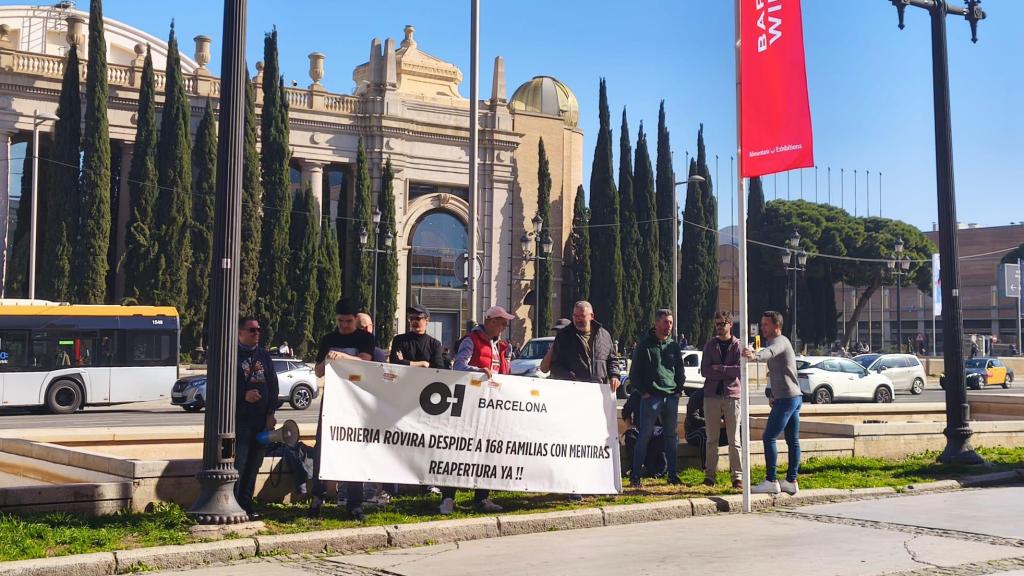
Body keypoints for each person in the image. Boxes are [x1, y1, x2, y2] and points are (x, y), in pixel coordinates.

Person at [441, 305, 516, 514]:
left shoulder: (501, 345)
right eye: (501, 322)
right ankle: (448, 497)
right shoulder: (471, 340)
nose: (504, 326)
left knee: (488, 451)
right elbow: (459, 366)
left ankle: (482, 498)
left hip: (491, 406)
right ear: (490, 321)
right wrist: (478, 371)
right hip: (469, 405)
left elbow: (503, 373)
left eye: (505, 323)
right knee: (459, 451)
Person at [547, 301, 619, 501]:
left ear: (591, 316)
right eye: (575, 315)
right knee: (574, 443)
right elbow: (555, 366)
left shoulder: (604, 335)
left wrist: (614, 374)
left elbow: (612, 359)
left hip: (598, 398)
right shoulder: (565, 336)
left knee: (595, 443)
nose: (578, 319)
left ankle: (594, 483)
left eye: (582, 316)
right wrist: (569, 378)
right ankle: (573, 486)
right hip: (574, 398)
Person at [310, 299, 375, 520]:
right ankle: (317, 498)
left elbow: (366, 362)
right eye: (340, 321)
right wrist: (327, 360)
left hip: (355, 401)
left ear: (356, 320)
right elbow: (318, 371)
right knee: (322, 449)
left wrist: (344, 357)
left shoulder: (365, 338)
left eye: (348, 321)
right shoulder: (328, 339)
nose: (344, 325)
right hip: (331, 402)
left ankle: (354, 503)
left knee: (354, 448)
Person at [743, 311, 801, 496]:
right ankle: (791, 481)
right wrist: (771, 393)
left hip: (787, 399)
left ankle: (771, 480)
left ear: (776, 326)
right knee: (793, 440)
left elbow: (770, 353)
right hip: (791, 396)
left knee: (769, 437)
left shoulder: (780, 341)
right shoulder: (778, 341)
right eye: (762, 324)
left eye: (766, 324)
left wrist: (754, 356)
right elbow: (776, 372)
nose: (762, 328)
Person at [628, 309, 685, 488]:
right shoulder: (645, 345)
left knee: (671, 437)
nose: (669, 326)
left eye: (671, 322)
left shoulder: (674, 346)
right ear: (657, 323)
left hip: (670, 397)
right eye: (665, 322)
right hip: (651, 398)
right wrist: (644, 392)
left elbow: (680, 371)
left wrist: (678, 390)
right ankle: (636, 475)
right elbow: (634, 373)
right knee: (644, 435)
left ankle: (672, 474)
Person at [235, 317, 279, 521]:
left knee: (254, 465)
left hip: (262, 421)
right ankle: (234, 503)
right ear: (240, 333)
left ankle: (246, 503)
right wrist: (244, 395)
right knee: (240, 464)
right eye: (252, 330)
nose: (257, 333)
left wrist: (271, 413)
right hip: (241, 421)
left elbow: (273, 385)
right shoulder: (232, 355)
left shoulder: (263, 355)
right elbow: (222, 387)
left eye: (258, 330)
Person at [699, 311, 743, 489]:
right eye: (717, 324)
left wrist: (721, 368)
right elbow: (705, 371)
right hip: (712, 396)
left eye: (722, 323)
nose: (719, 327)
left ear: (730, 324)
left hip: (732, 396)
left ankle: (737, 477)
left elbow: (740, 371)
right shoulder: (710, 345)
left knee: (734, 440)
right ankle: (710, 476)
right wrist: (726, 371)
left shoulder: (738, 345)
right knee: (711, 439)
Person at [390, 304, 446, 369]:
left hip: (425, 378)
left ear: (427, 320)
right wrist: (423, 363)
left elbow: (438, 369)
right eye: (411, 318)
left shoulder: (434, 344)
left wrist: (405, 362)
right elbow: (394, 363)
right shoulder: (400, 340)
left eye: (418, 318)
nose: (414, 321)